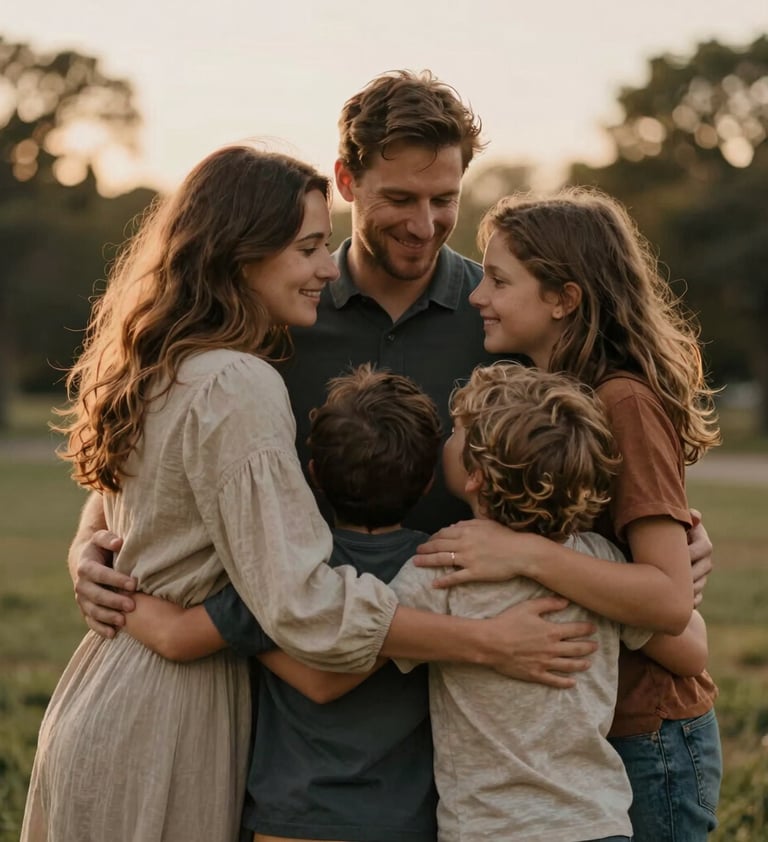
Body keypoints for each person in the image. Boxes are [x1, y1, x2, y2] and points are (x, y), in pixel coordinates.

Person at [21, 146, 584, 842]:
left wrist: (97, 562)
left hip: (107, 691)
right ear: (241, 253)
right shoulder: (237, 383)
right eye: (309, 247)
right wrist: (484, 641)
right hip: (169, 720)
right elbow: (305, 608)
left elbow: (134, 512)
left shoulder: (165, 363)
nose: (327, 265)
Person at [69, 69, 610, 685]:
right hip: (294, 680)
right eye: (401, 199)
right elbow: (163, 453)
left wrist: (661, 543)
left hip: (468, 678)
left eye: (445, 198)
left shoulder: (504, 318)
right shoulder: (273, 308)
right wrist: (89, 544)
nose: (425, 224)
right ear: (347, 182)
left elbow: (580, 460)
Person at [414, 188, 723, 840]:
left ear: (563, 298)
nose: (477, 294)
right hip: (592, 727)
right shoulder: (554, 395)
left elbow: (669, 601)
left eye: (499, 280)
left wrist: (523, 553)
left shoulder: (623, 401)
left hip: (651, 734)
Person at [120, 363, 444, 842]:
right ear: (427, 483)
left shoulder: (286, 572)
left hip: (290, 819)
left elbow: (175, 637)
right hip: (403, 822)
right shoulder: (441, 570)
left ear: (312, 474)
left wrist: (115, 589)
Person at [390, 362, 709, 841]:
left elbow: (367, 639)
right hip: (597, 823)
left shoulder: (444, 566)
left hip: (490, 828)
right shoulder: (601, 562)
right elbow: (691, 650)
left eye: (457, 432)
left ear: (475, 475)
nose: (447, 439)